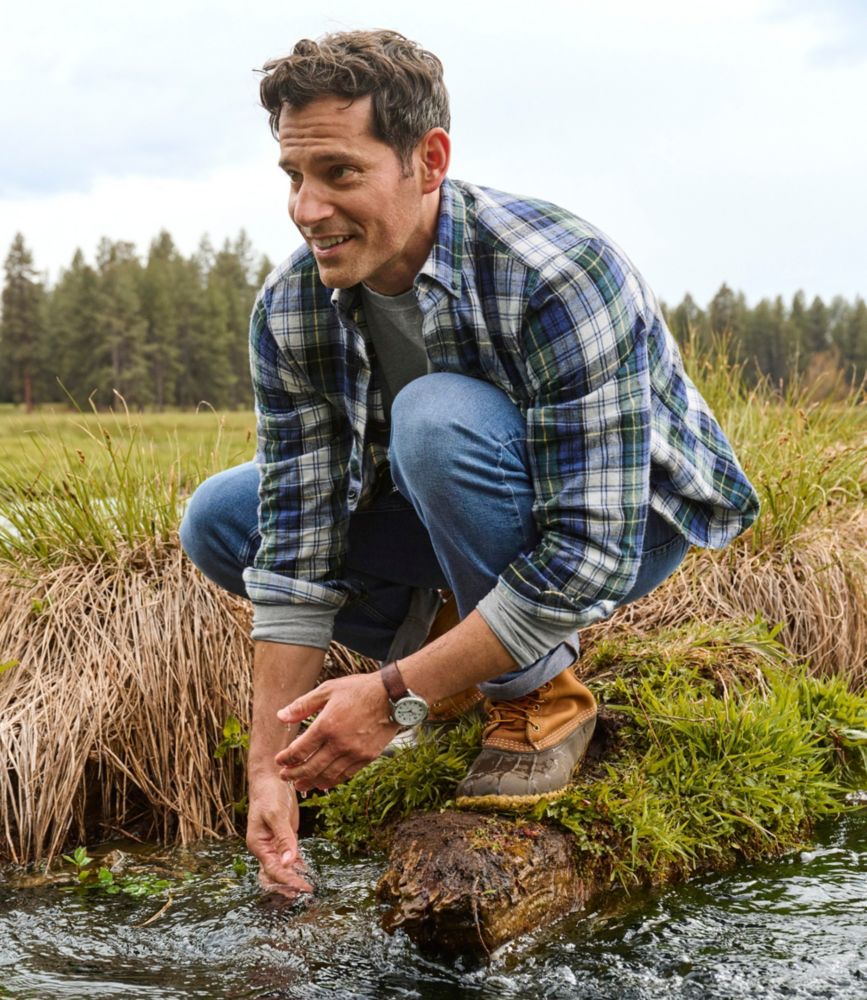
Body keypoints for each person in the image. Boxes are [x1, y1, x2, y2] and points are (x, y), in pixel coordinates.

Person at [179, 29, 759, 894]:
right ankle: (466, 647)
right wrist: (269, 768)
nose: (307, 209)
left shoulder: (556, 270)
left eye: (339, 173)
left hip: (623, 528)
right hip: (447, 510)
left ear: (429, 159)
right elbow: (295, 541)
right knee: (224, 518)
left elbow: (588, 553)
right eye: (294, 177)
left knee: (433, 418)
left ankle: (539, 697)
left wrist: (387, 696)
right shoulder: (291, 305)